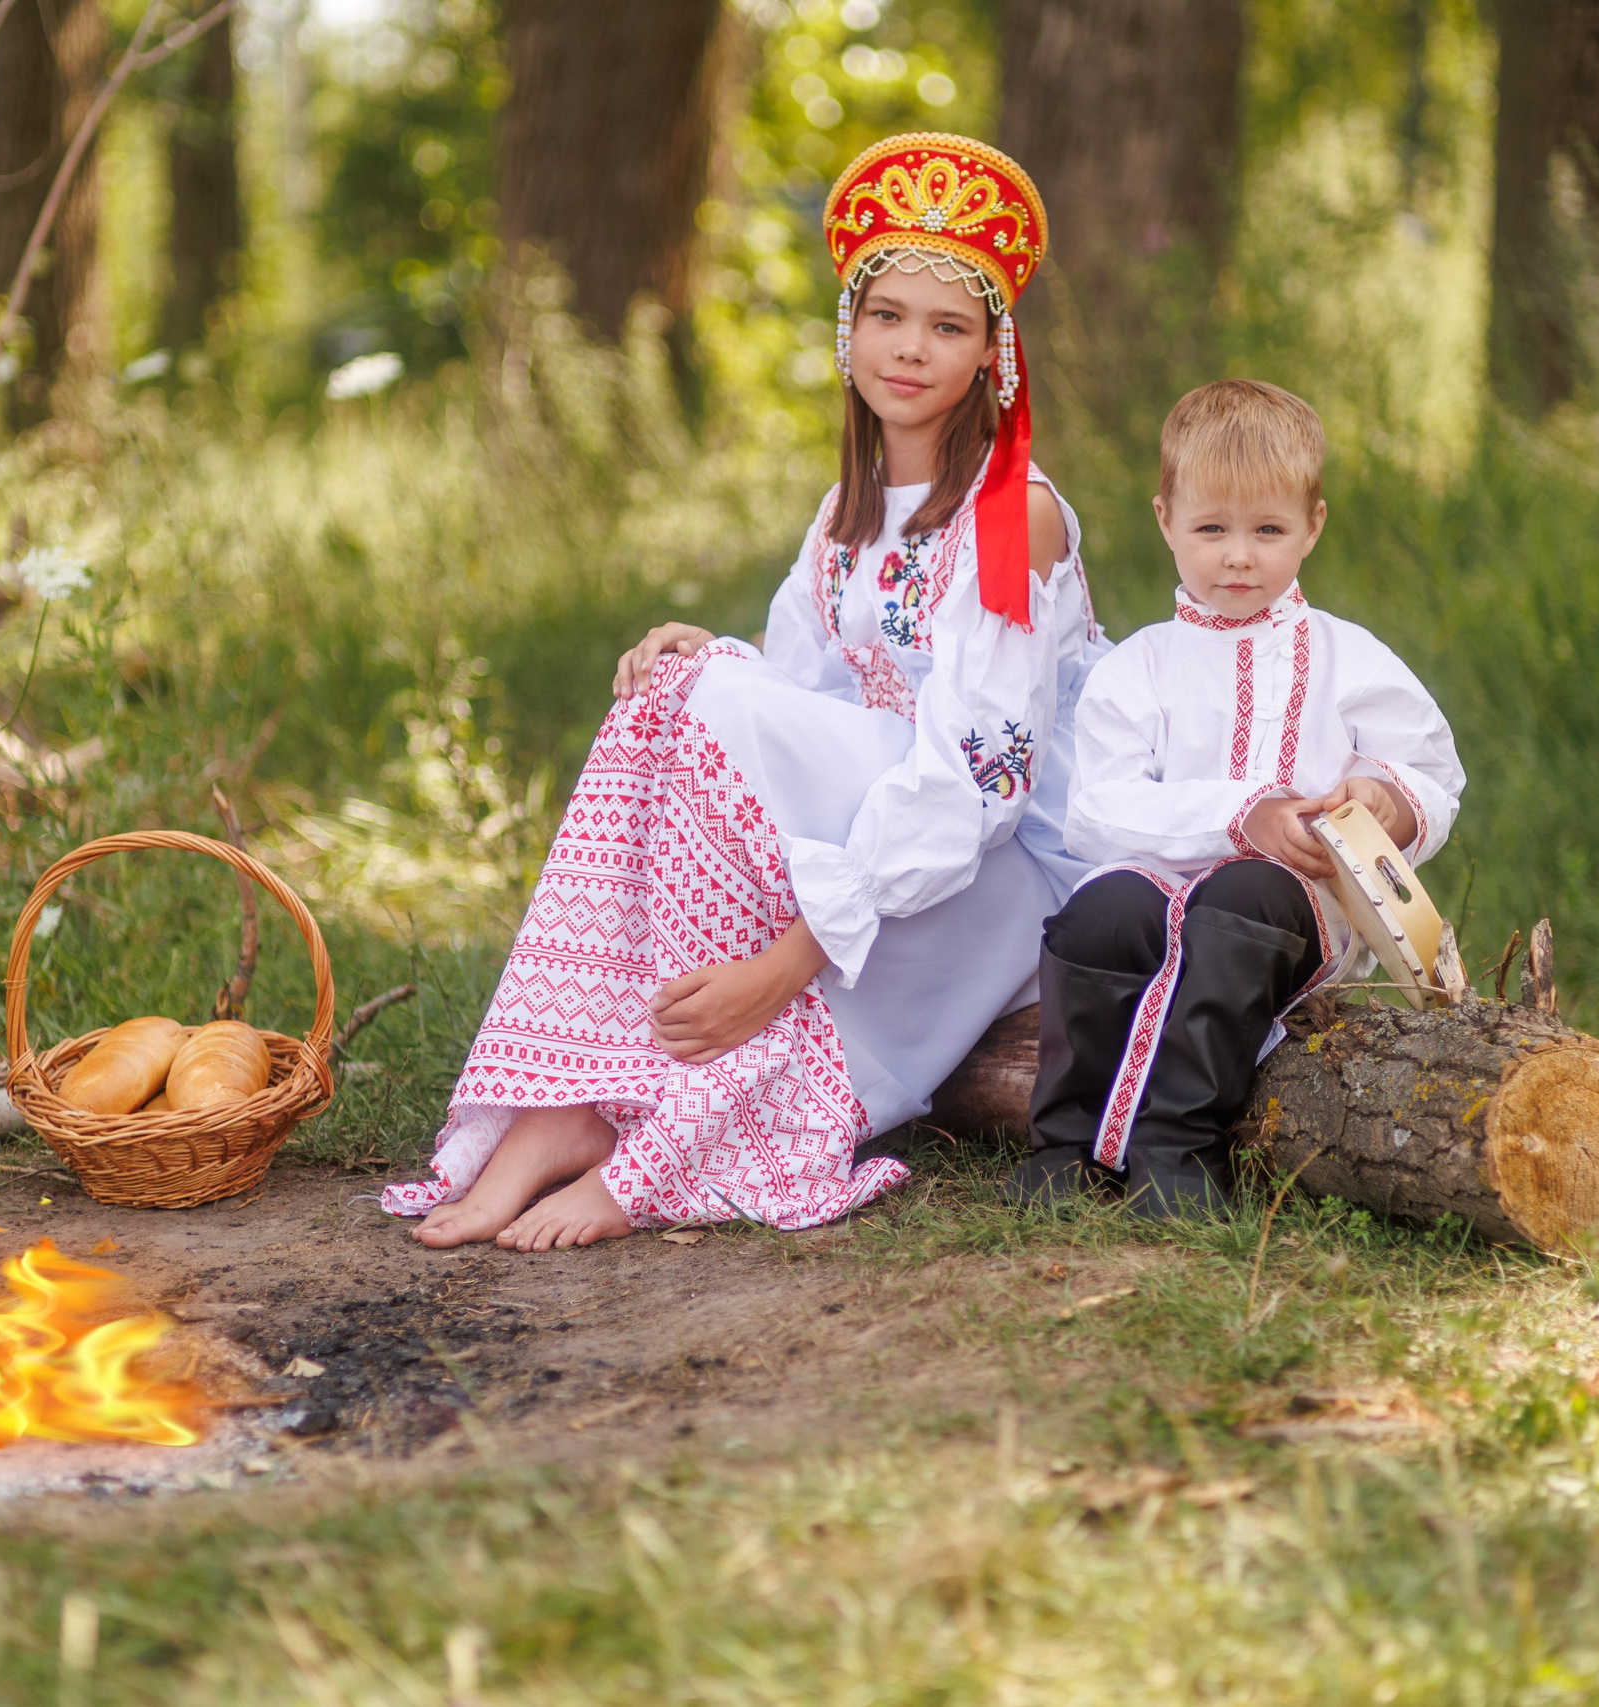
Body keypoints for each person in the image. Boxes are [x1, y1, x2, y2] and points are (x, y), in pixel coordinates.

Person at [384, 133, 1106, 1251]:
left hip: (997, 867)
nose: (910, 348)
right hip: (876, 839)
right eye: (887, 316)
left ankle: (634, 1151)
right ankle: (566, 1109)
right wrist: (707, 656)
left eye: (947, 326)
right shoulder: (846, 512)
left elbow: (981, 782)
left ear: (991, 354)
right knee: (679, 688)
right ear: (847, 330)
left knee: (702, 698)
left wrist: (787, 963)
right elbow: (799, 700)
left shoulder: (1014, 515)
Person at [1016, 379, 1466, 1217]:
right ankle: (1065, 1146)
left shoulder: (1349, 656)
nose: (1238, 556)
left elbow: (1433, 775)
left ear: (1313, 526)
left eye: (1268, 530)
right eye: (1211, 528)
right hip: (1163, 886)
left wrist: (1384, 798)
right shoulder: (1138, 667)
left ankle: (1179, 1144)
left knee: (1241, 891)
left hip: (1291, 908)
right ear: (1165, 521)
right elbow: (1094, 811)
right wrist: (1238, 813)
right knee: (1098, 911)